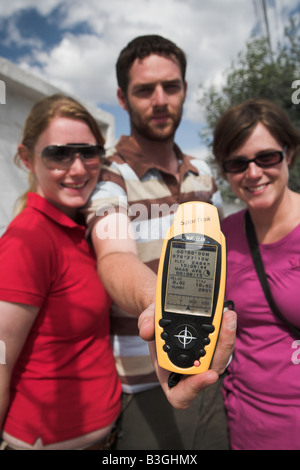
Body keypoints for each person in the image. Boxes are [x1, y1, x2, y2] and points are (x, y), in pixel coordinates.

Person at [84, 34, 232, 450]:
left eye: (171, 86)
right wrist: (165, 305)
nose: (161, 99)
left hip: (215, 368)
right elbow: (113, 257)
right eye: (144, 90)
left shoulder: (203, 172)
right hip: (146, 383)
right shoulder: (110, 175)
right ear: (122, 97)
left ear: (185, 89)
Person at [0, 94, 122, 450]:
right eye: (59, 154)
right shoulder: (30, 239)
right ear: (27, 158)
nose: (79, 168)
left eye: (89, 152)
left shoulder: (76, 226)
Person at [212, 98, 300, 450]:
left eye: (266, 157)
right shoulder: (221, 237)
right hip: (248, 426)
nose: (253, 172)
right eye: (237, 163)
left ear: (288, 153)